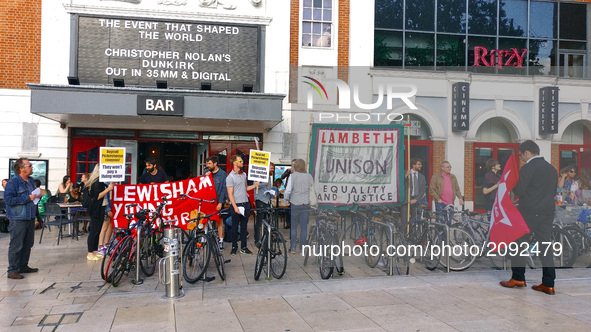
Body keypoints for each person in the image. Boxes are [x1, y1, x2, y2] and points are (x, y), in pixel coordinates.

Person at [500, 140, 558, 295]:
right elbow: (552, 191)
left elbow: (520, 190)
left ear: (527, 152)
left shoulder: (527, 168)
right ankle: (549, 283)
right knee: (545, 246)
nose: (521, 158)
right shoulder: (552, 169)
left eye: (521, 155)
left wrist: (511, 181)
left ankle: (518, 277)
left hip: (529, 212)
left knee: (518, 244)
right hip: (547, 212)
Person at [4, 158, 41, 279]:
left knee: (28, 243)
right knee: (16, 244)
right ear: (21, 169)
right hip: (18, 218)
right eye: (29, 165)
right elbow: (8, 200)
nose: (32, 167)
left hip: (30, 216)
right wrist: (27, 198)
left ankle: (23, 266)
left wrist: (37, 197)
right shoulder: (13, 182)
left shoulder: (30, 180)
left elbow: (32, 197)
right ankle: (12, 270)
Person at [226, 155, 259, 255]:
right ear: (235, 163)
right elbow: (230, 194)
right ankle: (234, 247)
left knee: (244, 227)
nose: (242, 162)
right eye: (240, 161)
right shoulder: (230, 177)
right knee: (235, 227)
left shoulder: (244, 174)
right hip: (236, 205)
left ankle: (243, 247)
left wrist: (255, 185)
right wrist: (235, 207)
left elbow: (245, 188)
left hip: (245, 204)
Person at [284, 159, 314, 254]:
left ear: (296, 166)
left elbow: (288, 190)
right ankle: (302, 248)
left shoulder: (292, 176)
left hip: (294, 203)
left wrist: (286, 200)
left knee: (293, 227)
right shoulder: (309, 176)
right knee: (304, 227)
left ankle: (293, 248)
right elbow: (312, 190)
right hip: (305, 204)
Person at [84, 167, 114, 261]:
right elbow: (98, 196)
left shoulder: (100, 182)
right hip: (96, 209)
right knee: (94, 230)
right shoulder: (96, 182)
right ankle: (90, 252)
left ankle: (95, 250)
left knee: (98, 229)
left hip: (101, 207)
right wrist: (108, 189)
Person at [429, 161, 463, 225]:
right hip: (440, 203)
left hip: (450, 204)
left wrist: (460, 198)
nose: (449, 168)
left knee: (448, 222)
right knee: (440, 222)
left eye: (450, 167)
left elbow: (457, 188)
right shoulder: (436, 177)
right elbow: (431, 190)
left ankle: (446, 235)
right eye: (447, 167)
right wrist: (438, 199)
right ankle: (439, 235)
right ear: (442, 168)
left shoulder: (453, 177)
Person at [206, 155, 228, 250]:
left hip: (218, 201)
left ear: (215, 164)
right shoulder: (206, 173)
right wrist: (204, 178)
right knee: (206, 220)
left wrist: (220, 202)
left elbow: (224, 189)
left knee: (220, 221)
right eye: (207, 163)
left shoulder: (223, 175)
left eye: (209, 163)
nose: (208, 165)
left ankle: (221, 241)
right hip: (208, 201)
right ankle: (205, 239)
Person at [401, 158, 427, 236]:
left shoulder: (422, 176)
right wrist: (405, 176)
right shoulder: (405, 173)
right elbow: (399, 184)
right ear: (413, 165)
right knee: (404, 219)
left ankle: (413, 236)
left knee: (415, 219)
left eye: (421, 164)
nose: (420, 166)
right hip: (406, 199)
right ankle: (404, 236)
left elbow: (422, 190)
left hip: (416, 200)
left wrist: (416, 199)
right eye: (419, 164)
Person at [254, 162, 276, 248]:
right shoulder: (258, 175)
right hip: (260, 200)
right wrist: (264, 184)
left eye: (273, 168)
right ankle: (257, 240)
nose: (272, 170)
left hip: (267, 200)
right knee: (259, 221)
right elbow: (255, 184)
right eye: (271, 168)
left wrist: (271, 192)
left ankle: (266, 238)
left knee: (267, 220)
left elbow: (268, 187)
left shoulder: (269, 177)